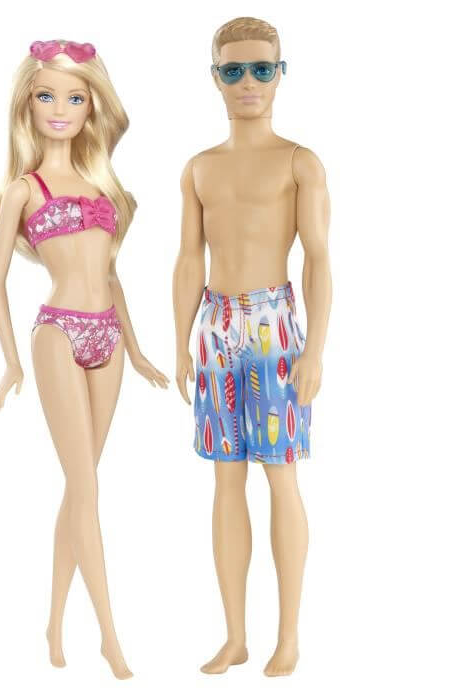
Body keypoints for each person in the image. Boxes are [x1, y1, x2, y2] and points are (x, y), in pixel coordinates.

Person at [0, 39, 168, 680]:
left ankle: (54, 623)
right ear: (28, 106)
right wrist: (11, 362)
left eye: (74, 96)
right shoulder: (23, 190)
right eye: (46, 96)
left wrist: (137, 350)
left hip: (108, 338)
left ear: (93, 106)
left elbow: (111, 277)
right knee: (87, 489)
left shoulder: (102, 186)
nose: (60, 109)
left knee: (81, 484)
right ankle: (110, 638)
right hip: (59, 334)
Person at [172, 17, 332, 676]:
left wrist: (315, 349)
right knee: (225, 477)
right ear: (215, 77)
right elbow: (189, 257)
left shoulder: (300, 162)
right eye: (234, 69)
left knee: (280, 473)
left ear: (280, 74)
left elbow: (318, 257)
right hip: (216, 327)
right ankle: (235, 635)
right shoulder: (200, 168)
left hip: (273, 327)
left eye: (261, 68)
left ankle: (287, 636)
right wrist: (180, 340)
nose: (248, 82)